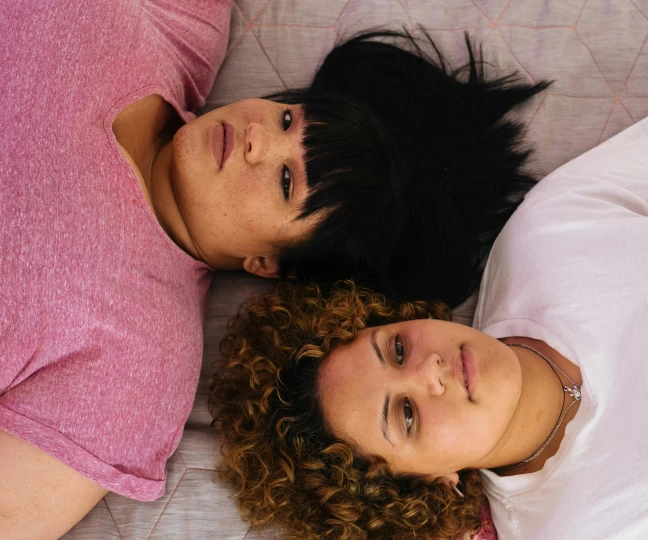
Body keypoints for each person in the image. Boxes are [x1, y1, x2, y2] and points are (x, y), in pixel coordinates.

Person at [0, 1, 545, 538]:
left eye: (286, 181)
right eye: (290, 119)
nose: (259, 138)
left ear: (266, 264)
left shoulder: (137, 356)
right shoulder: (180, 25)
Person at [210, 115, 648, 539]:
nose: (429, 370)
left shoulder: (545, 237)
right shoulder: (578, 528)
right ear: (433, 483)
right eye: (406, 414)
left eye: (397, 349)